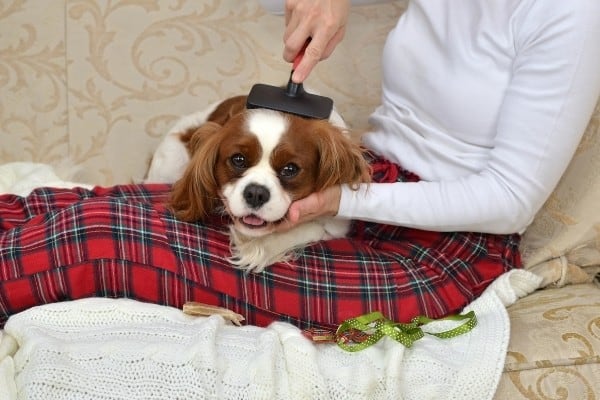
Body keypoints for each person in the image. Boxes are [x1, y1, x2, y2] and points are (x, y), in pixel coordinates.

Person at [1, 0, 598, 331]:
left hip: (442, 245)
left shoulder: (571, 15)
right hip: (365, 183)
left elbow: (510, 200)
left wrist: (339, 199)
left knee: (100, 239)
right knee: (80, 204)